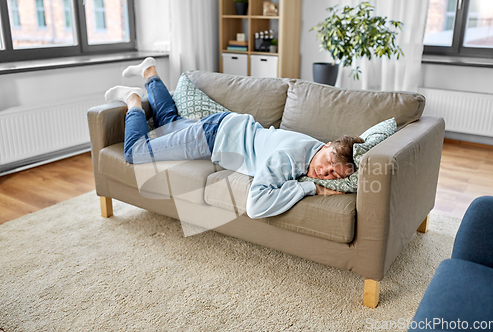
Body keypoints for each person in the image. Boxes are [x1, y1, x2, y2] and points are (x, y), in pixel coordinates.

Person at [105, 57, 364, 219]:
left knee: (169, 122)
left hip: (225, 126)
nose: (323, 173)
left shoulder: (312, 145)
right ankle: (134, 99)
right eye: (329, 163)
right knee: (135, 152)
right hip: (211, 138)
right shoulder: (288, 158)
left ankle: (149, 71)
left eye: (333, 175)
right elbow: (256, 205)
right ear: (328, 144)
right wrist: (311, 188)